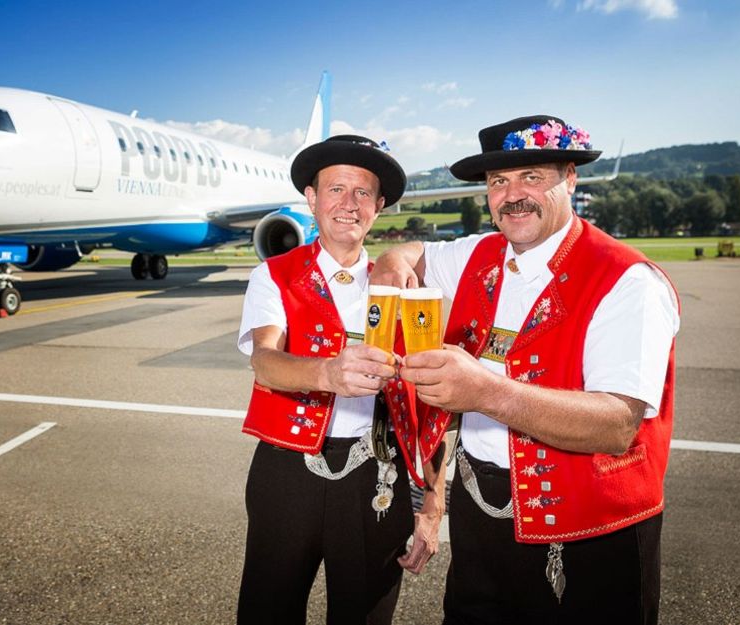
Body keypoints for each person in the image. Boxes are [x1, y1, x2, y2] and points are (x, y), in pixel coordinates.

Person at [371, 116, 680, 624]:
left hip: (590, 534)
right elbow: (414, 253)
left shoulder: (627, 280)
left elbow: (617, 424)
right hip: (480, 520)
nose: (513, 195)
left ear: (570, 178)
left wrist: (486, 392)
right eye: (498, 182)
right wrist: (390, 261)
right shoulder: (478, 252)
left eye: (532, 177)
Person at [236, 135, 448, 625]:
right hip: (286, 472)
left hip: (378, 476)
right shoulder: (274, 275)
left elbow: (430, 404)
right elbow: (265, 361)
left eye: (363, 193)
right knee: (267, 612)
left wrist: (432, 502)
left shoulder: (406, 289)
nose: (348, 204)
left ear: (379, 206)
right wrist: (327, 372)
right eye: (335, 189)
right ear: (311, 199)